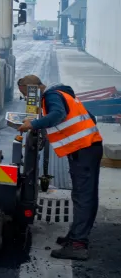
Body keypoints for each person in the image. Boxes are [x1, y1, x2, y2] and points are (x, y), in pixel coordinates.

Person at [17, 74, 103, 260]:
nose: (27, 99)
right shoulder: (64, 95)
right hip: (85, 149)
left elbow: (58, 115)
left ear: (32, 88)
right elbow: (91, 118)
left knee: (84, 197)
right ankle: (75, 237)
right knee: (81, 195)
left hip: (85, 150)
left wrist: (33, 124)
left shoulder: (51, 96)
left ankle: (78, 244)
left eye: (26, 94)